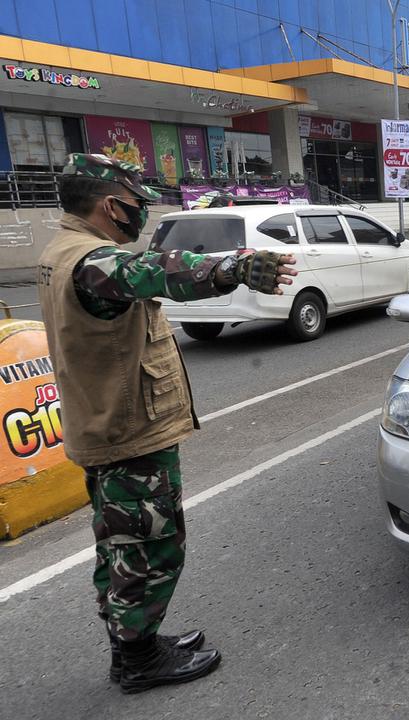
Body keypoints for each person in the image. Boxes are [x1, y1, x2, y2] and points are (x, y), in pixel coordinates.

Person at [36, 154, 297, 693]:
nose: (142, 215)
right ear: (110, 206)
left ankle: (135, 644)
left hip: (106, 421)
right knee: (150, 548)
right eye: (136, 205)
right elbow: (153, 271)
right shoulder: (92, 261)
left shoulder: (63, 249)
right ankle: (138, 660)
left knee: (121, 546)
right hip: (126, 431)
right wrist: (233, 268)